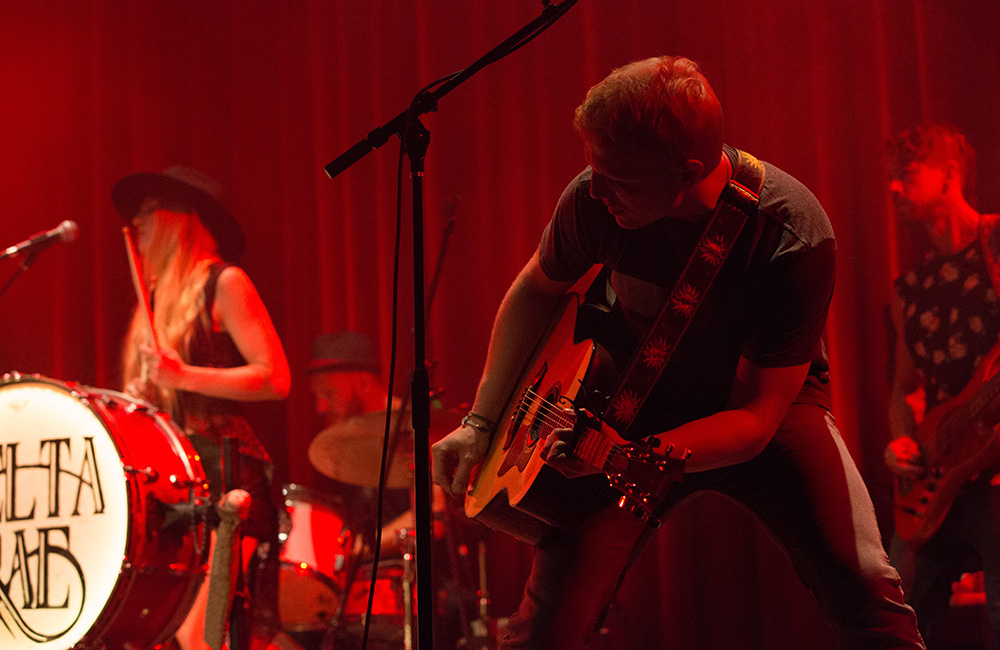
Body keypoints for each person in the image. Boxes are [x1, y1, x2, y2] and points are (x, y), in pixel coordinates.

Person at [431, 55, 925, 649]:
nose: (596, 190)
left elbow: (758, 417)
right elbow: (538, 288)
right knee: (546, 630)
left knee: (864, 583)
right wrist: (481, 423)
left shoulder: (792, 231)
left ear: (685, 171)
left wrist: (638, 455)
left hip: (762, 406)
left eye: (618, 180)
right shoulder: (594, 196)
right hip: (630, 401)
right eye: (594, 170)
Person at [117, 165, 291, 650]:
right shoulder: (154, 302)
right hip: (175, 482)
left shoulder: (226, 282)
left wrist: (184, 376)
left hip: (225, 472)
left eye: (149, 212)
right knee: (164, 634)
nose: (138, 226)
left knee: (201, 635)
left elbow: (275, 377)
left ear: (181, 218)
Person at [883, 123, 1000, 647]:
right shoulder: (911, 287)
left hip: (996, 475)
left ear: (949, 175)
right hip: (936, 481)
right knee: (886, 620)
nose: (891, 188)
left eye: (906, 174)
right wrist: (903, 437)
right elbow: (906, 386)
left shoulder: (997, 242)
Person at [305, 331, 413, 550]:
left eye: (329, 393)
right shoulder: (340, 440)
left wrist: (360, 550)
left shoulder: (415, 430)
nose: (320, 408)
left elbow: (433, 515)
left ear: (364, 384)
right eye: (317, 396)